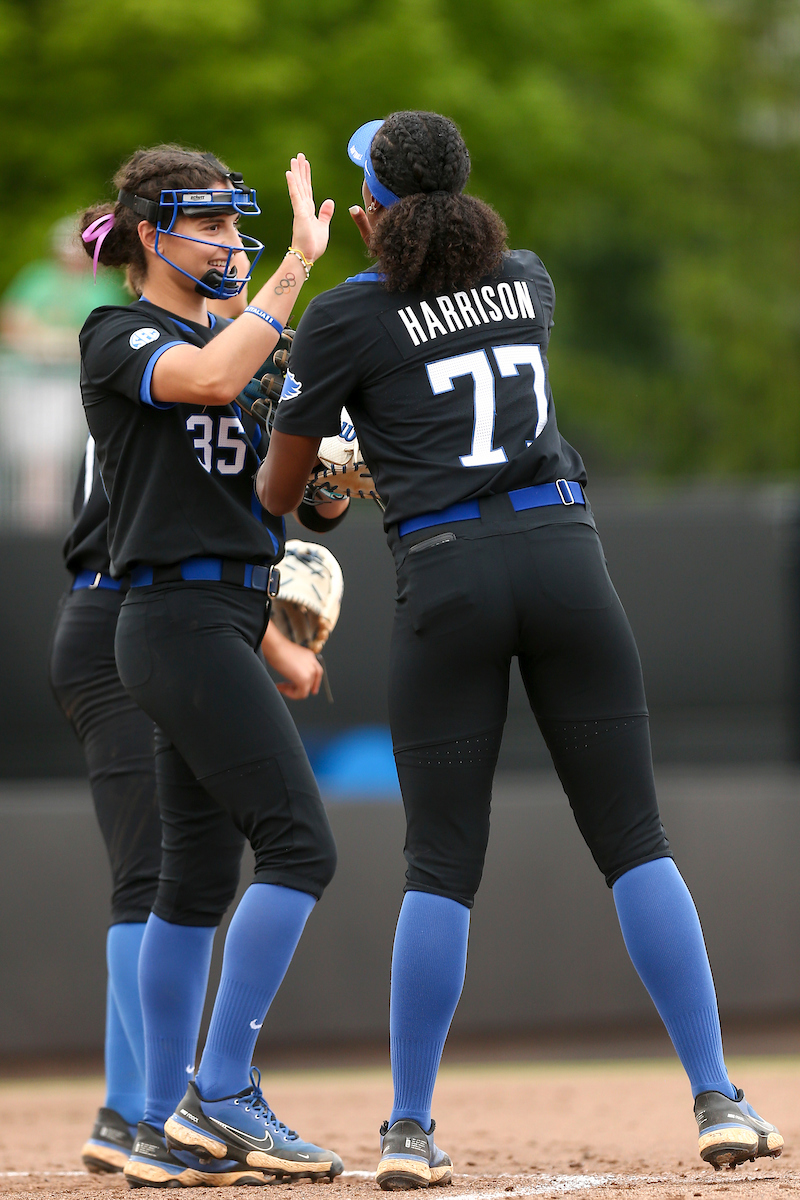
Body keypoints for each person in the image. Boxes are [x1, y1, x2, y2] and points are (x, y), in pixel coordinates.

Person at [257, 111, 784, 1186]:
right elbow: (459, 343)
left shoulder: (344, 316)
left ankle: (407, 1126)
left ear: (371, 211)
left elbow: (284, 494)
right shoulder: (530, 277)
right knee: (634, 840)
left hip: (446, 573)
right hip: (561, 559)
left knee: (439, 864)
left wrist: (333, 475)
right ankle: (717, 1096)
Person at [77, 143, 348, 1188]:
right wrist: (294, 268)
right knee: (299, 846)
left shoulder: (255, 349)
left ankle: (152, 1122)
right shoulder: (118, 330)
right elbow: (207, 375)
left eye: (243, 229)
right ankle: (221, 1091)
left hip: (226, 615)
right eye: (218, 228)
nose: (236, 245)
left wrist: (329, 459)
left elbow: (297, 502)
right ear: (154, 236)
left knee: (192, 885)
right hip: (171, 618)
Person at [49, 430, 326, 1174]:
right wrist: (276, 646)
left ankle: (129, 1112)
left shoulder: (175, 365)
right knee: (153, 880)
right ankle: (157, 1114)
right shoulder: (168, 363)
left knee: (174, 877)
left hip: (124, 611)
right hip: (125, 612)